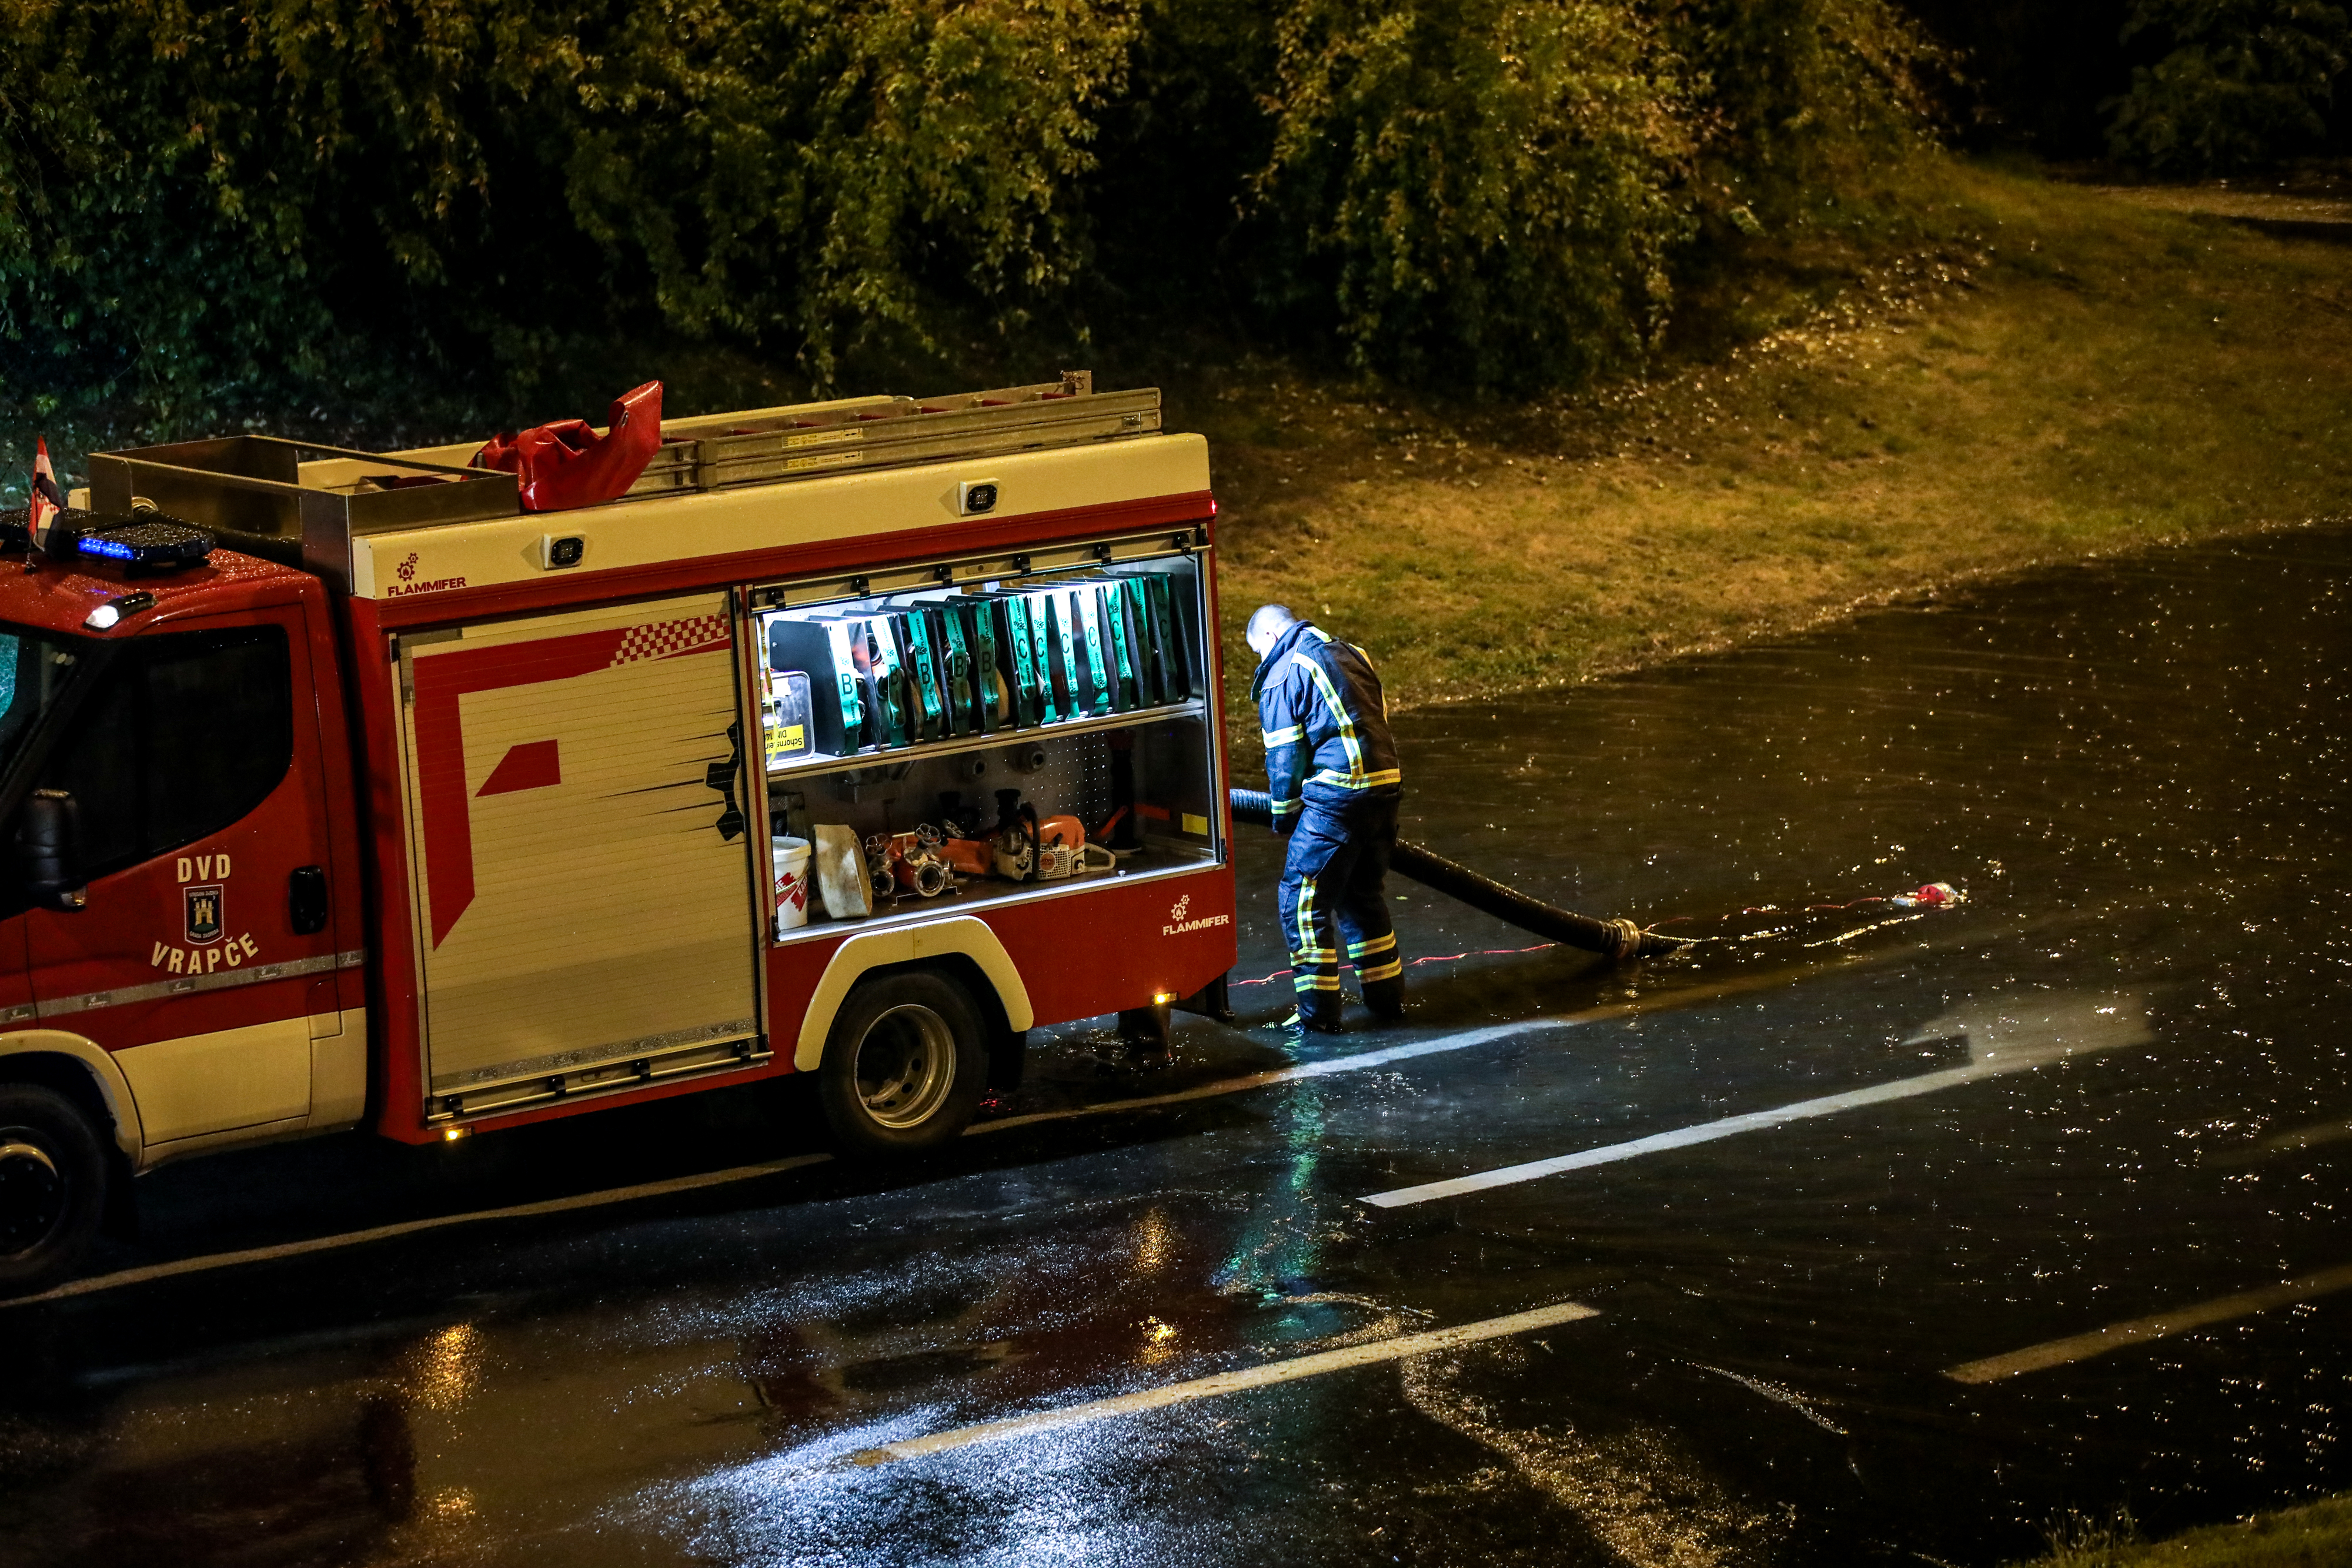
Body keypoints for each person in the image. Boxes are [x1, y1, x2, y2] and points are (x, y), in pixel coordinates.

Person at [1247, 604, 1405, 1032]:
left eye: (1257, 653)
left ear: (1265, 639)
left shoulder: (1283, 671)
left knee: (1300, 902)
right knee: (1361, 896)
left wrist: (1284, 818)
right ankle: (1387, 1000)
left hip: (1338, 796)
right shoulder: (1353, 653)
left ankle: (1318, 1018)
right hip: (1385, 789)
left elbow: (1285, 759)